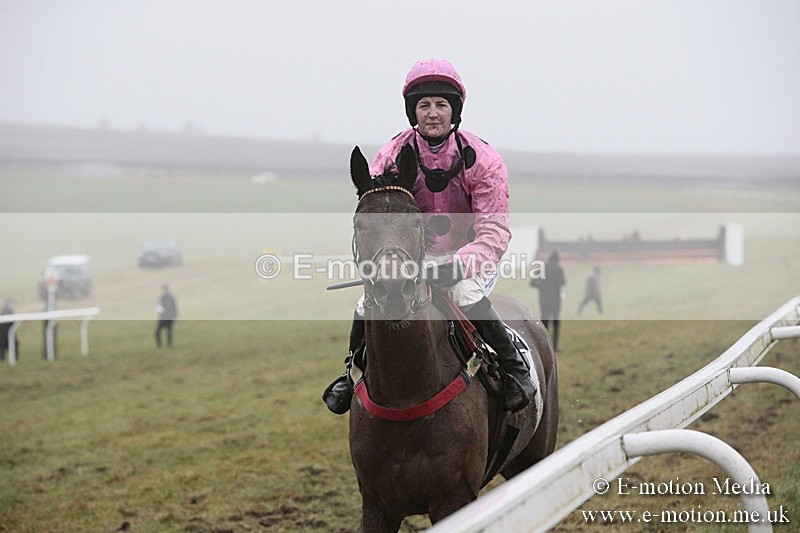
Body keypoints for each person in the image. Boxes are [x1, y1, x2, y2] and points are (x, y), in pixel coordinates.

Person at [323, 58, 537, 414]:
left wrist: (456, 266)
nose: (433, 113)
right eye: (424, 105)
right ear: (413, 112)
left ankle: (515, 367)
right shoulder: (390, 156)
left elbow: (495, 231)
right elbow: (378, 216)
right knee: (367, 303)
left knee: (464, 293)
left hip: (469, 257)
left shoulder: (484, 161)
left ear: (455, 111)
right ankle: (352, 372)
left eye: (441, 105)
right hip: (409, 259)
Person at [531, 251, 566, 351]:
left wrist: (542, 286)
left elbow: (533, 282)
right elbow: (562, 282)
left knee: (544, 323)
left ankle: (545, 346)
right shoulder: (558, 269)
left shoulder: (542, 268)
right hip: (555, 299)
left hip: (544, 299)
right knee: (555, 323)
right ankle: (555, 346)